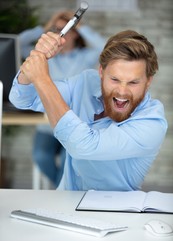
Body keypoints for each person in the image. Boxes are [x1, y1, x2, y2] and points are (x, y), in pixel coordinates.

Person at [9, 29, 168, 191]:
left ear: (148, 81)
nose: (122, 91)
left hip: (114, 212)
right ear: (101, 71)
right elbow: (22, 98)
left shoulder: (152, 122)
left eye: (133, 82)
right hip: (64, 203)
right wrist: (36, 59)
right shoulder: (85, 82)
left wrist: (42, 79)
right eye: (114, 79)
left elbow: (83, 146)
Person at [19, 11, 105, 187]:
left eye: (65, 29)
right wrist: (43, 30)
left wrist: (80, 26)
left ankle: (60, 194)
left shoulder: (85, 56)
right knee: (41, 156)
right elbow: (16, 45)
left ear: (75, 33)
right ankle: (61, 189)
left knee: (70, 163)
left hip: (75, 124)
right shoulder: (43, 56)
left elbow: (104, 47)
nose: (61, 33)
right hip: (47, 125)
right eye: (57, 29)